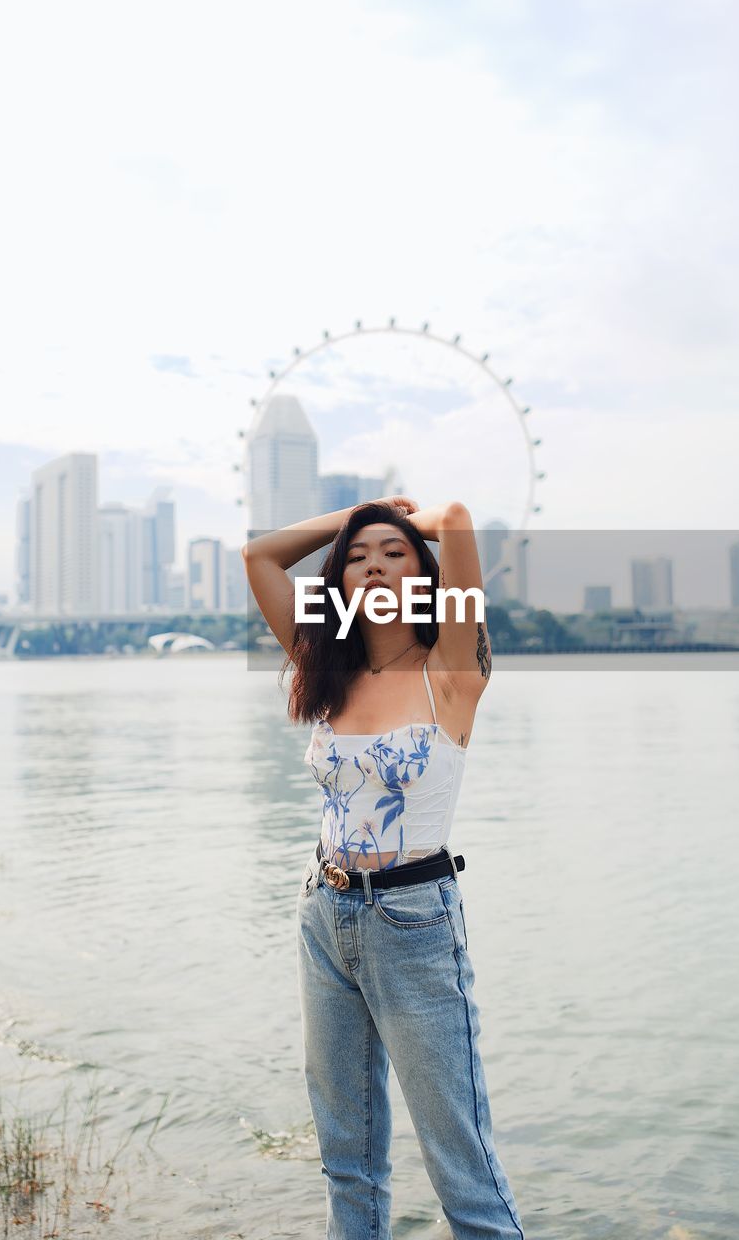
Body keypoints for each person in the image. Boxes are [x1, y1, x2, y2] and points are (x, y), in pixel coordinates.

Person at [241, 496, 525, 1239]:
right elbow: (260, 557)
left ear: (426, 576)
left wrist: (409, 523)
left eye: (395, 555)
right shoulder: (325, 666)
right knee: (348, 1159)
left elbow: (461, 519)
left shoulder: (452, 671)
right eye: (359, 556)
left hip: (414, 920)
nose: (374, 564)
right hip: (324, 916)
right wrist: (352, 522)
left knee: (461, 1167)